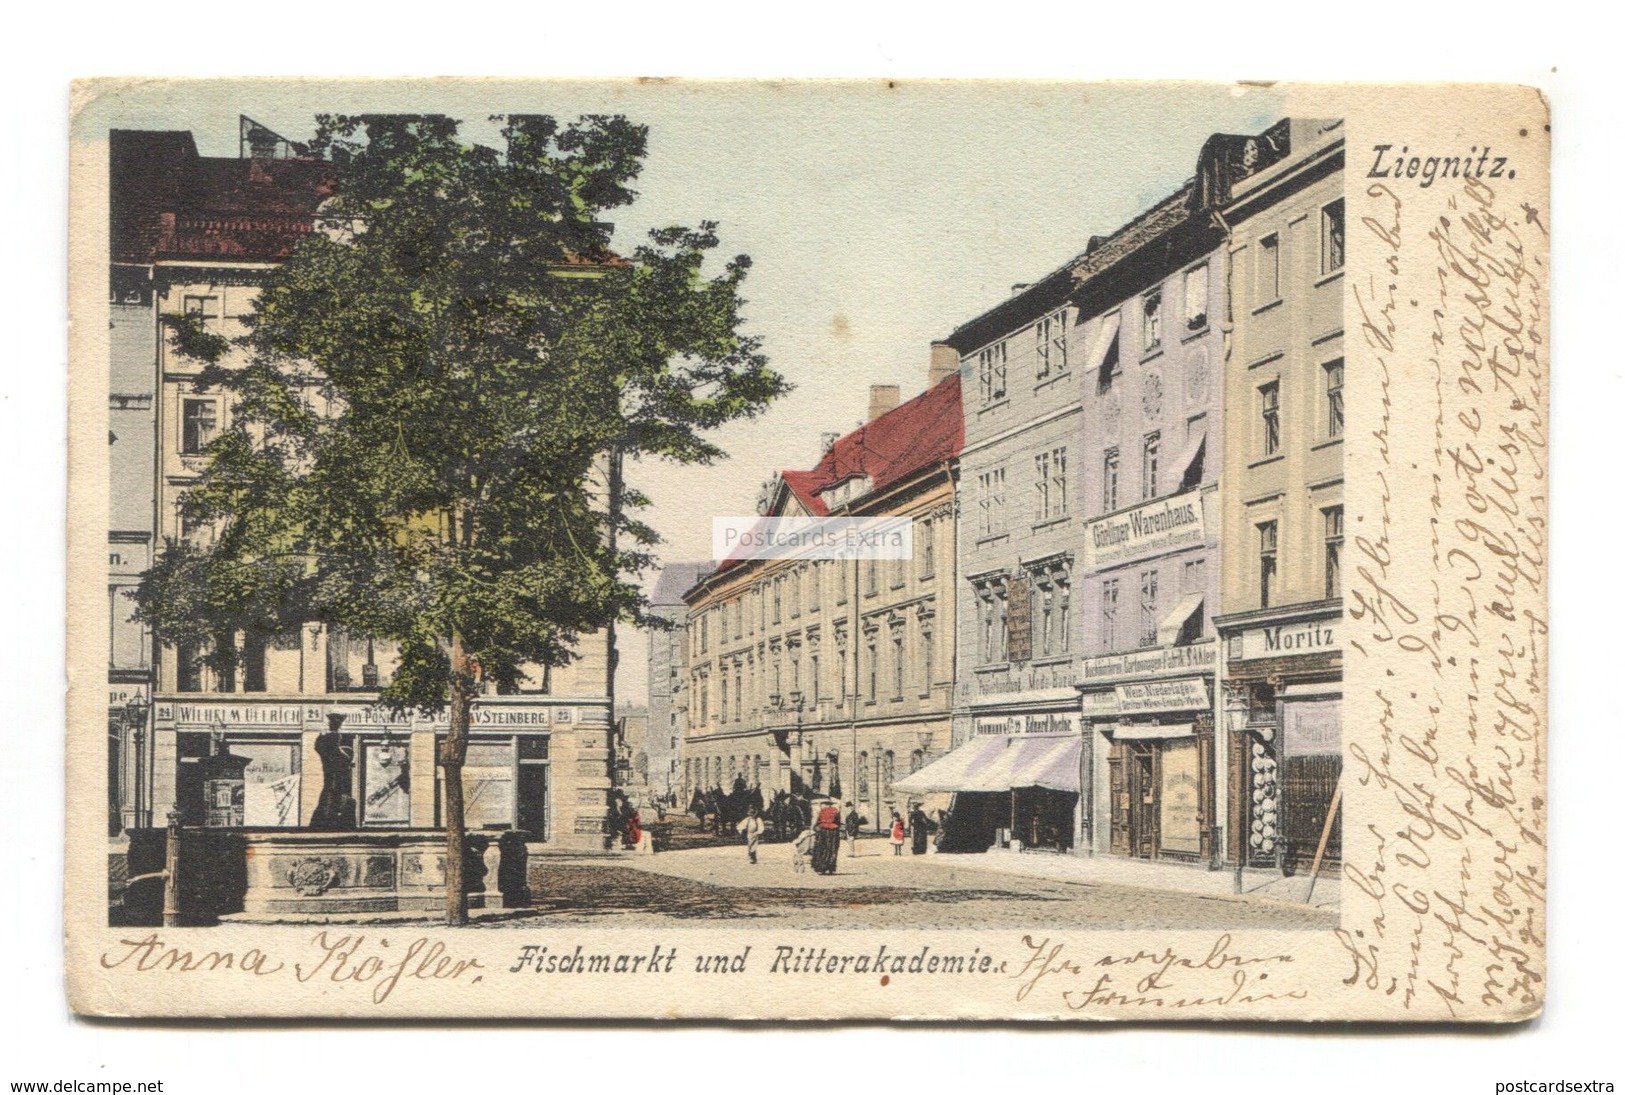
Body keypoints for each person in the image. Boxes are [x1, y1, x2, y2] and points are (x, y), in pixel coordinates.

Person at [811, 799, 842, 875]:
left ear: (824, 804)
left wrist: (813, 828)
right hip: (833, 832)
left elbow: (816, 821)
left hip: (823, 831)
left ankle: (822, 867)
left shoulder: (821, 811)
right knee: (833, 849)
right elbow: (838, 821)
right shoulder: (836, 811)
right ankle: (831, 868)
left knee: (822, 848)